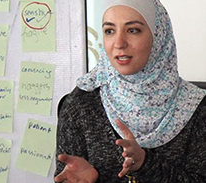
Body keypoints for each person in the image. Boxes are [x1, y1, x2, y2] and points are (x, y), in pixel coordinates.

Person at [54, 0, 206, 182]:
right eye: (109, 31)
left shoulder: (196, 108)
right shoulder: (79, 105)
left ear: (158, 36)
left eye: (133, 30)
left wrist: (145, 164)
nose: (118, 43)